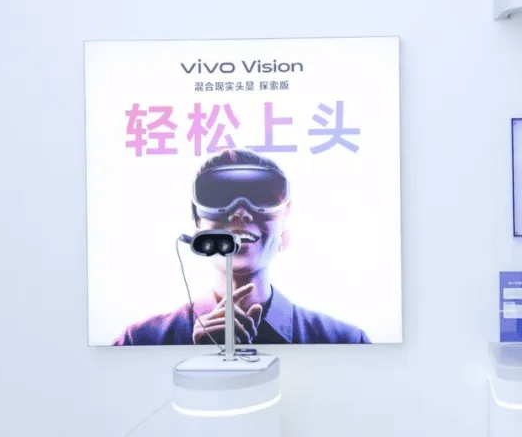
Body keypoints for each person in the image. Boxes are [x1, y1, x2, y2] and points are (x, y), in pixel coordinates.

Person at [116, 148, 369, 345]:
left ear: (284, 227)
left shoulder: (345, 342)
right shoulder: (140, 341)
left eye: (262, 197)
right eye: (219, 197)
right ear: (198, 225)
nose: (240, 213)